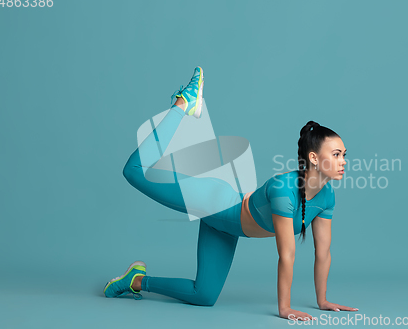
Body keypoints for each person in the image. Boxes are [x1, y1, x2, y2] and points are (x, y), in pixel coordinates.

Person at [103, 66, 358, 321]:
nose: (343, 160)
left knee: (203, 296)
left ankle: (136, 281)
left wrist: (322, 300)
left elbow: (323, 252)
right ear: (314, 157)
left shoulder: (327, 197)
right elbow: (287, 254)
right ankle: (184, 103)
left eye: (344, 155)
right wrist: (285, 308)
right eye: (336, 154)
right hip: (214, 202)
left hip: (228, 228)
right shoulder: (284, 189)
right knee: (135, 171)